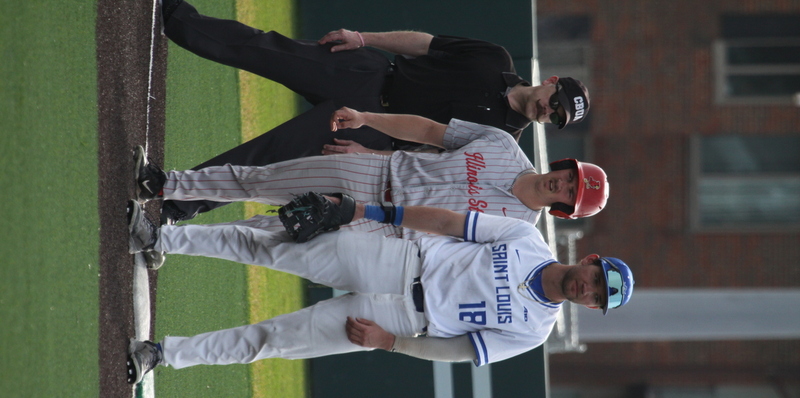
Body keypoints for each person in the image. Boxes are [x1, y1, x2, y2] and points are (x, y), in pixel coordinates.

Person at [158, 0, 591, 223]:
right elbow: (426, 44)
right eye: (554, 103)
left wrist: (366, 159)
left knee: (268, 159)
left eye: (556, 119)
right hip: (368, 76)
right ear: (551, 81)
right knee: (266, 49)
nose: (547, 112)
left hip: (371, 137)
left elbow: (428, 164)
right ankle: (175, 16)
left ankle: (175, 204)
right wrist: (363, 37)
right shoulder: (493, 57)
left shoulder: (504, 142)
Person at [124, 196, 634, 384]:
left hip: (402, 322)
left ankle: (161, 355)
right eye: (597, 279)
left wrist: (389, 343)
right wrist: (371, 214)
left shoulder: (536, 330)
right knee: (272, 245)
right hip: (399, 260)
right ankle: (160, 235)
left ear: (591, 307)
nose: (589, 290)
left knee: (273, 341)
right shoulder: (527, 237)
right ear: (590, 260)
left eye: (597, 298)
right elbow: (449, 221)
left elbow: (458, 351)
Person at [135, 107, 608, 268]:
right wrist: (367, 125)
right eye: (570, 176)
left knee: (268, 234)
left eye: (570, 193)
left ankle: (167, 243)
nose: (562, 184)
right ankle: (163, 184)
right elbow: (426, 132)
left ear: (565, 209)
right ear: (565, 164)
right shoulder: (505, 144)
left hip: (384, 233)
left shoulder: (520, 233)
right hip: (374, 175)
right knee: (260, 180)